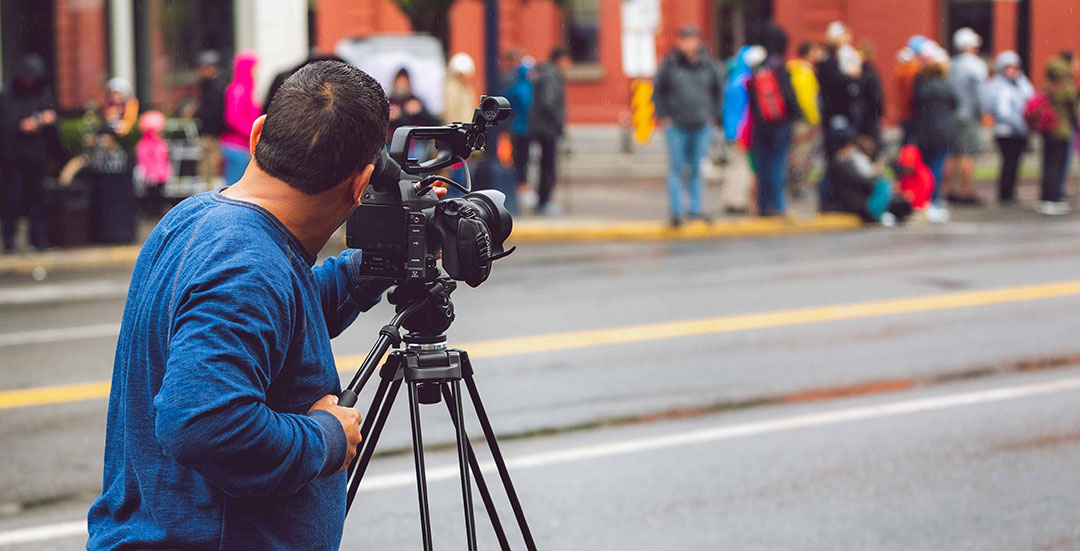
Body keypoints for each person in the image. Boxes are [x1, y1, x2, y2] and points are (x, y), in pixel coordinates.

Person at [85, 60, 441, 550]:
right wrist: (326, 439)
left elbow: (274, 322)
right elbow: (201, 423)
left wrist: (370, 268)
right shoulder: (249, 266)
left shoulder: (196, 220)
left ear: (257, 136)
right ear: (360, 186)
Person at [653, 25, 724, 225]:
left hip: (702, 125)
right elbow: (657, 91)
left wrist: (713, 116)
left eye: (692, 39)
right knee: (676, 168)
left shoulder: (709, 65)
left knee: (696, 169)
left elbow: (718, 92)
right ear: (679, 42)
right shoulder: (669, 64)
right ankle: (676, 212)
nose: (688, 44)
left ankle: (695, 209)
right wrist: (664, 116)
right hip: (676, 125)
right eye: (685, 39)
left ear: (699, 42)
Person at [0, 54, 57, 252]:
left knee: (37, 198)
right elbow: (8, 123)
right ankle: (9, 239)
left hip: (36, 155)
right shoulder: (8, 94)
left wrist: (44, 121)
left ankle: (38, 238)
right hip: (14, 157)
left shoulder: (41, 93)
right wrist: (22, 126)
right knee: (12, 198)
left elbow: (50, 120)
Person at [747, 22, 799, 216]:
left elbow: (751, 97)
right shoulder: (779, 67)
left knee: (764, 164)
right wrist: (795, 115)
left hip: (761, 125)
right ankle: (778, 205)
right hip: (779, 123)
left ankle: (763, 204)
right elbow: (789, 96)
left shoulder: (757, 66)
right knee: (778, 164)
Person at [912, 46, 958, 222]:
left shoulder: (922, 87)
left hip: (925, 132)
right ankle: (934, 199)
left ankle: (925, 199)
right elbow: (955, 103)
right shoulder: (946, 87)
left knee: (926, 167)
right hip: (942, 132)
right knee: (937, 167)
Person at [982, 50, 1033, 204]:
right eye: (1008, 67)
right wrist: (1018, 124)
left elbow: (1030, 101)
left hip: (1021, 131)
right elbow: (1001, 111)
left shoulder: (1022, 82)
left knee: (1016, 162)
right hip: (1005, 131)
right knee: (1008, 162)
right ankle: (1005, 193)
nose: (1012, 71)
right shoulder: (997, 85)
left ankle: (1011, 191)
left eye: (1014, 67)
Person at [944, 28, 989, 205]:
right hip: (969, 114)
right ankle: (966, 191)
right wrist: (983, 112)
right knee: (967, 154)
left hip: (953, 114)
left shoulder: (951, 64)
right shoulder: (976, 65)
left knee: (952, 155)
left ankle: (947, 190)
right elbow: (979, 92)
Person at [529, 46, 571, 215]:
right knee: (548, 166)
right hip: (548, 129)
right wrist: (558, 122)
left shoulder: (545, 75)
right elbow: (548, 102)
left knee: (545, 165)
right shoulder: (552, 77)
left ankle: (543, 200)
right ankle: (544, 201)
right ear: (560, 60)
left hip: (543, 127)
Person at [1036, 56, 1079, 215]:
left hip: (1047, 129)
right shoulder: (1066, 87)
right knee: (1058, 165)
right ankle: (1054, 198)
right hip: (1062, 130)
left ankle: (1046, 197)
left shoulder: (1046, 86)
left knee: (1048, 164)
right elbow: (1073, 110)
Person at [787, 41, 823, 196]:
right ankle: (797, 187)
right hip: (804, 120)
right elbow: (807, 100)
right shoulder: (804, 72)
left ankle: (794, 184)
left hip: (794, 119)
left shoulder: (792, 69)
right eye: (815, 50)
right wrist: (814, 120)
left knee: (795, 154)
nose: (818, 54)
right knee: (801, 155)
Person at [222, 51, 263, 186]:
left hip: (245, 146)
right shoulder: (237, 90)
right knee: (235, 186)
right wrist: (254, 132)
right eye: (254, 68)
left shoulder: (247, 89)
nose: (256, 72)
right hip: (237, 146)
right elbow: (233, 118)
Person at [502, 57, 534, 202]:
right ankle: (520, 185)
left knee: (518, 159)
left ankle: (518, 184)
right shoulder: (528, 88)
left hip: (518, 128)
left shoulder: (516, 87)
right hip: (523, 128)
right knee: (522, 159)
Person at [195, 50, 226, 189]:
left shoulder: (215, 88)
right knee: (207, 174)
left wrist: (197, 113)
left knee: (210, 173)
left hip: (213, 137)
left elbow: (214, 112)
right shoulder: (208, 86)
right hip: (210, 135)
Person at [135, 111, 171, 217]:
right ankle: (152, 213)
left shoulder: (159, 143)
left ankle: (155, 212)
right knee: (152, 196)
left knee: (158, 195)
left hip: (160, 174)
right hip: (152, 175)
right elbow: (145, 159)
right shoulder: (147, 144)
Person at [387, 68, 437, 143]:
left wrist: (421, 111)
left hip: (414, 143)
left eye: (404, 82)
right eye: (399, 82)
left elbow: (433, 123)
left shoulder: (416, 101)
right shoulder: (389, 102)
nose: (401, 85)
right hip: (392, 142)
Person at [443, 52, 478, 125]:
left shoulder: (466, 87)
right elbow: (449, 113)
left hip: (466, 129)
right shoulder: (452, 88)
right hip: (457, 130)